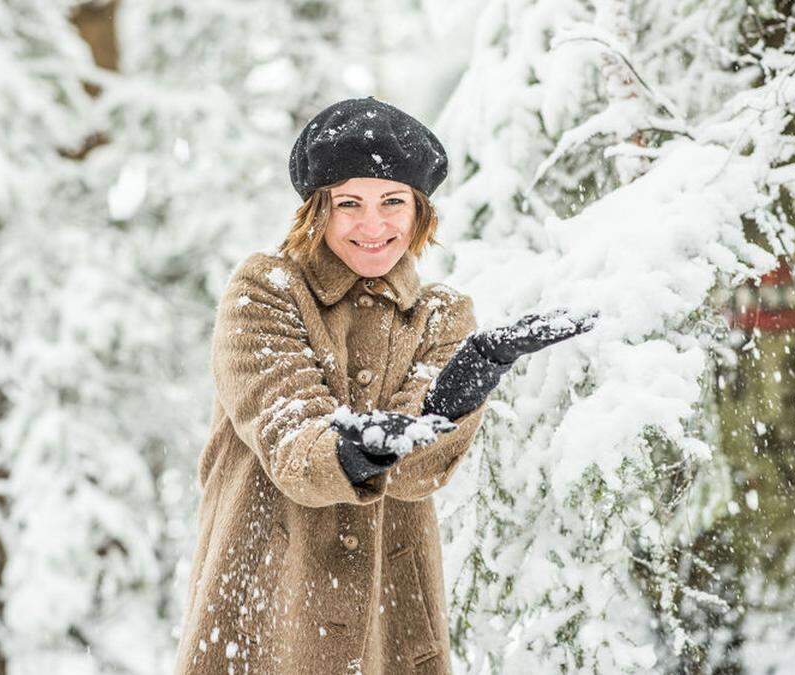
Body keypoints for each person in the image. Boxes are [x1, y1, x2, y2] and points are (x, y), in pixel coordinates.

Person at [173, 96, 596, 674]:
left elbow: (417, 470)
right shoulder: (266, 289)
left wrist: (452, 401)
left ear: (420, 212)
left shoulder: (442, 316)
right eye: (349, 203)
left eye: (392, 202)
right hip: (267, 610)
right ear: (316, 210)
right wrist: (350, 448)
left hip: (387, 625)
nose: (373, 226)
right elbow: (290, 435)